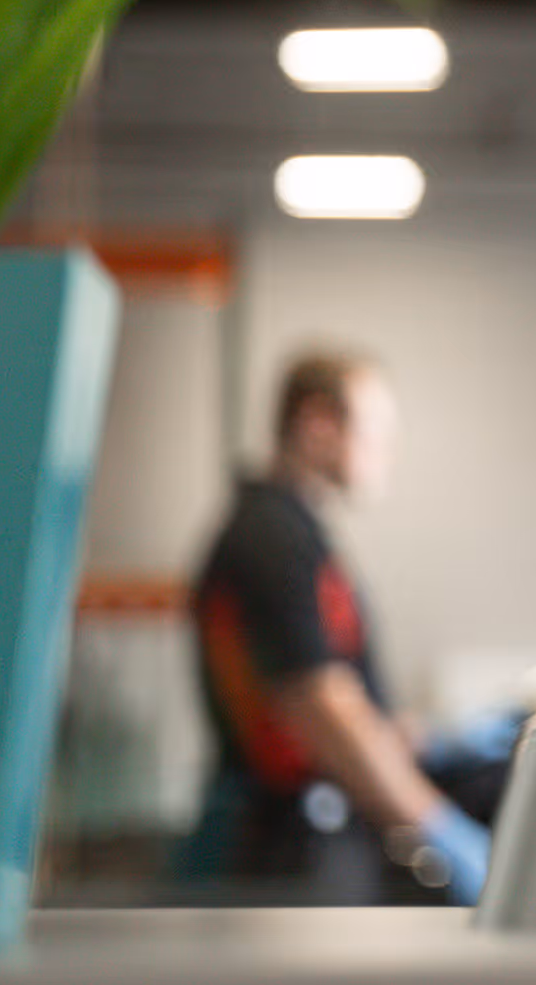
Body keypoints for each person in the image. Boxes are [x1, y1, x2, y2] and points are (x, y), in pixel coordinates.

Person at [180, 349, 495, 904]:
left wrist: (402, 735)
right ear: (319, 424)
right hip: (296, 846)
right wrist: (438, 828)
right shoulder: (271, 537)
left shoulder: (296, 532)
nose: (388, 456)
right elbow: (320, 707)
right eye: (378, 434)